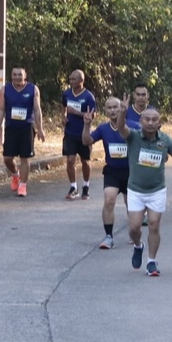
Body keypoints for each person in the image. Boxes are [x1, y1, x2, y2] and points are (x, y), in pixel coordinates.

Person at [117, 93, 172, 277]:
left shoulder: (165, 140)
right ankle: (138, 246)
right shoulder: (133, 136)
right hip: (136, 190)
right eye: (146, 119)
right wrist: (122, 112)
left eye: (154, 120)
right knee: (134, 228)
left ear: (159, 123)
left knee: (154, 225)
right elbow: (121, 128)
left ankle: (151, 262)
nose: (150, 122)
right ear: (141, 121)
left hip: (157, 190)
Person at [82, 97, 140, 249]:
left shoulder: (134, 126)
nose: (113, 110)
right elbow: (86, 141)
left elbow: (146, 142)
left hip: (131, 171)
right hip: (112, 171)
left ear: (122, 108)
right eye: (110, 108)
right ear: (105, 110)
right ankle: (108, 237)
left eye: (116, 107)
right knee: (109, 200)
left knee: (131, 204)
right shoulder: (103, 128)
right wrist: (86, 125)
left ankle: (134, 232)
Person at [0, 66, 45, 197]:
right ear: (11, 76)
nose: (17, 77)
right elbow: (1, 109)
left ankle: (23, 185)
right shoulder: (5, 89)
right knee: (7, 158)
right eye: (15, 75)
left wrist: (40, 129)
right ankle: (15, 174)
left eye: (20, 75)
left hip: (26, 127)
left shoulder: (33, 89)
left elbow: (37, 110)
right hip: (11, 127)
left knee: (25, 158)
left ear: (25, 76)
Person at [61, 69, 96, 200]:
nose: (71, 81)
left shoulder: (88, 96)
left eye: (74, 79)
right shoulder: (66, 94)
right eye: (70, 79)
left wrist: (76, 112)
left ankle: (86, 186)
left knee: (85, 161)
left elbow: (93, 115)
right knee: (70, 160)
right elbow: (63, 107)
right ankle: (73, 187)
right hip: (70, 133)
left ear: (81, 81)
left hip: (84, 134)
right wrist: (63, 117)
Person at [126, 83, 155, 226]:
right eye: (138, 94)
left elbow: (156, 131)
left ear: (148, 96)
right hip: (130, 150)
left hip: (147, 152)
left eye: (144, 95)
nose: (141, 97)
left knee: (145, 182)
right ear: (134, 96)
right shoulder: (127, 111)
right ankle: (135, 213)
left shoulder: (152, 111)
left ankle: (144, 212)